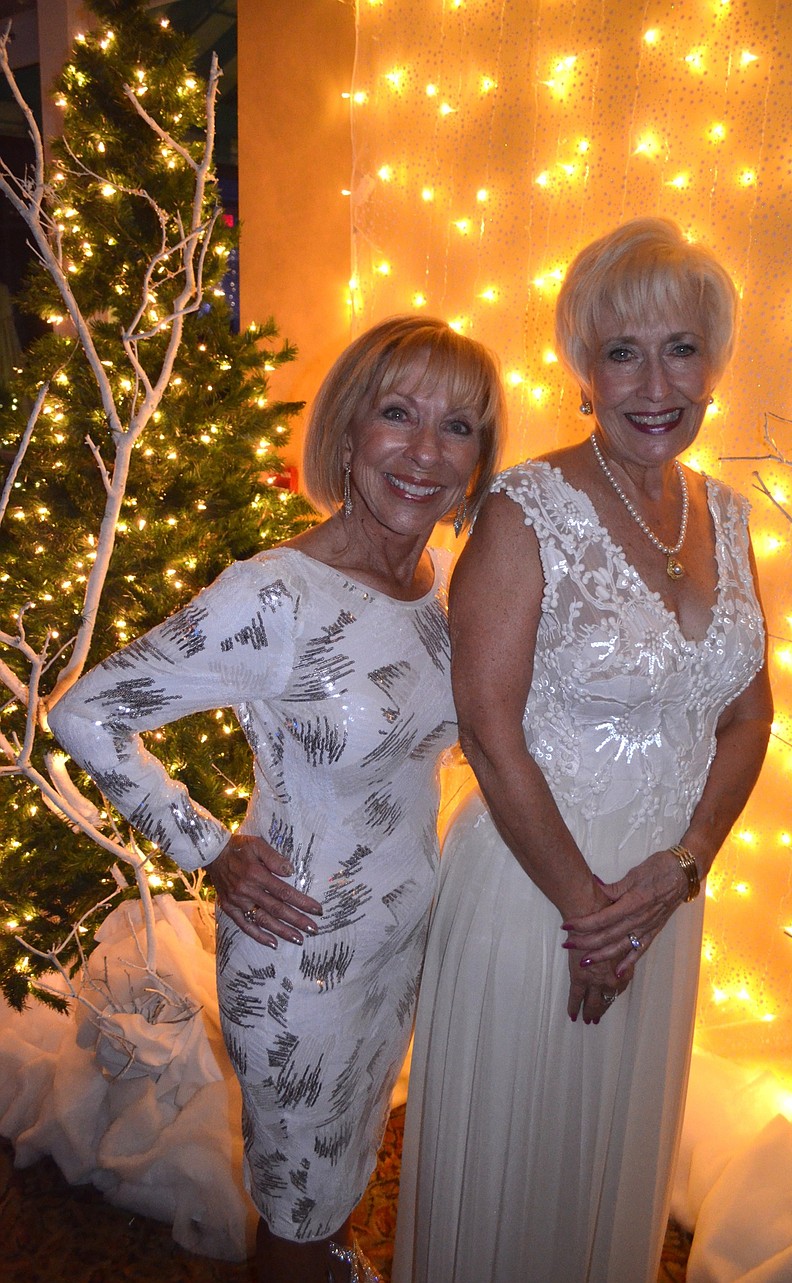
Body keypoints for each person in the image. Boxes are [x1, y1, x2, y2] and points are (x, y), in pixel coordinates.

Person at [48, 315, 505, 1283]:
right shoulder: (274, 597)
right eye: (398, 413)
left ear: (478, 457)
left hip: (398, 941)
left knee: (336, 1184)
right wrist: (206, 846)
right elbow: (86, 713)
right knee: (294, 1211)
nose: (426, 451)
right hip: (300, 959)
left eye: (457, 426)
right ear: (347, 431)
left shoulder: (441, 583)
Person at [393, 217, 773, 1283]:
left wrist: (684, 865)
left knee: (607, 1171)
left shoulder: (731, 516)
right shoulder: (525, 508)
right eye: (621, 351)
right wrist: (590, 915)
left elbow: (748, 717)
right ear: (583, 372)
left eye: (680, 347)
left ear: (715, 358)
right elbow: (488, 726)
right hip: (540, 895)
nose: (654, 382)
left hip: (661, 896)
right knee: (517, 1178)